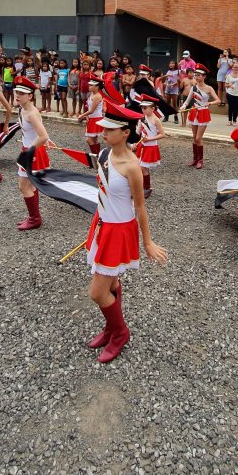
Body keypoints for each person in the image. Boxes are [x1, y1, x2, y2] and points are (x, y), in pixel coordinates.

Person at [84, 100, 167, 364]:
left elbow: (140, 207)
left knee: (97, 292)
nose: (102, 133)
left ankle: (120, 332)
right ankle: (111, 328)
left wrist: (148, 242)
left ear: (125, 133)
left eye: (109, 129)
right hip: (103, 224)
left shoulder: (133, 166)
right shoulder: (105, 155)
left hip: (120, 231)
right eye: (103, 128)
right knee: (113, 283)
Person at [14, 76, 51, 230]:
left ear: (30, 96)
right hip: (31, 150)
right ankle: (33, 217)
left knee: (24, 186)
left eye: (22, 93)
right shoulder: (23, 109)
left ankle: (35, 219)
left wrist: (29, 151)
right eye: (17, 92)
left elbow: (43, 136)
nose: (17, 95)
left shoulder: (31, 113)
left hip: (32, 153)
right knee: (29, 185)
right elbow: (41, 132)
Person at [181, 63, 221, 169]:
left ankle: (200, 160)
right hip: (194, 112)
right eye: (196, 74)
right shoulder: (193, 88)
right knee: (194, 138)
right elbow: (188, 100)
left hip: (203, 113)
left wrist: (210, 103)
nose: (197, 76)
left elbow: (218, 100)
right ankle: (195, 159)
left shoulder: (209, 88)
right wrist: (183, 106)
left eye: (199, 74)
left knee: (198, 138)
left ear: (204, 77)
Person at [135, 97, 165, 198]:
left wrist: (150, 139)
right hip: (142, 146)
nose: (143, 110)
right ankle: (142, 187)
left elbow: (162, 134)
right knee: (139, 167)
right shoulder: (141, 118)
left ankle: (147, 188)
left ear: (152, 109)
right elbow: (137, 133)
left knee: (143, 168)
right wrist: (134, 142)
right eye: (142, 108)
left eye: (145, 108)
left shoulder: (156, 120)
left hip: (151, 147)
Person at [78, 75, 105, 155]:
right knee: (94, 139)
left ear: (97, 87)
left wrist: (82, 115)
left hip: (96, 119)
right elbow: (89, 107)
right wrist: (87, 115)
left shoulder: (97, 96)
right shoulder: (92, 94)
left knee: (89, 140)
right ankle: (97, 157)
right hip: (92, 118)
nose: (88, 86)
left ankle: (95, 156)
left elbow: (92, 110)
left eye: (91, 85)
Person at [224, 60, 238, 125]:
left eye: (237, 67)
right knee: (230, 107)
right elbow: (225, 84)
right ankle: (229, 120)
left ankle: (235, 121)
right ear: (232, 68)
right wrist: (230, 85)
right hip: (230, 93)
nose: (236, 68)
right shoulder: (229, 75)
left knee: (236, 107)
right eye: (235, 67)